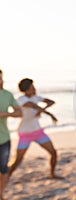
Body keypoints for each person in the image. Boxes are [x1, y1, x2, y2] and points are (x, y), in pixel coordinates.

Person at [8, 78, 61, 179]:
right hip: (25, 134)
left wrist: (42, 110)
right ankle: (6, 177)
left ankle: (52, 174)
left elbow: (51, 102)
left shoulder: (36, 97)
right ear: (26, 90)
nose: (34, 88)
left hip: (38, 132)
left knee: (53, 152)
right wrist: (49, 114)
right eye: (32, 87)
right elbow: (33, 106)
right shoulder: (21, 99)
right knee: (17, 160)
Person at [0, 70, 22, 200]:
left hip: (4, 140)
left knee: (3, 170)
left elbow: (19, 113)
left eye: (1, 78)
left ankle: (1, 194)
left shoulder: (7, 95)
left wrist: (5, 114)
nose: (1, 81)